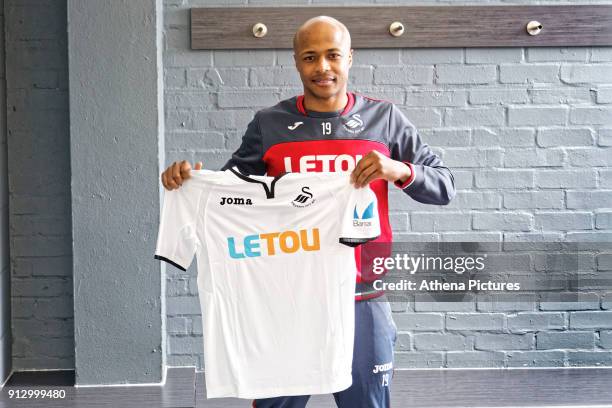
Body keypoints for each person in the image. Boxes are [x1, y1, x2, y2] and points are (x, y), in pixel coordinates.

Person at [161, 15, 455, 408]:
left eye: (333, 55)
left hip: (362, 297)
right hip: (287, 299)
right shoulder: (270, 125)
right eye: (310, 57)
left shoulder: (384, 120)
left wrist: (398, 169)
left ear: (349, 58)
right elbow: (230, 192)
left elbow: (444, 186)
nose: (322, 68)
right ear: (297, 62)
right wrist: (191, 181)